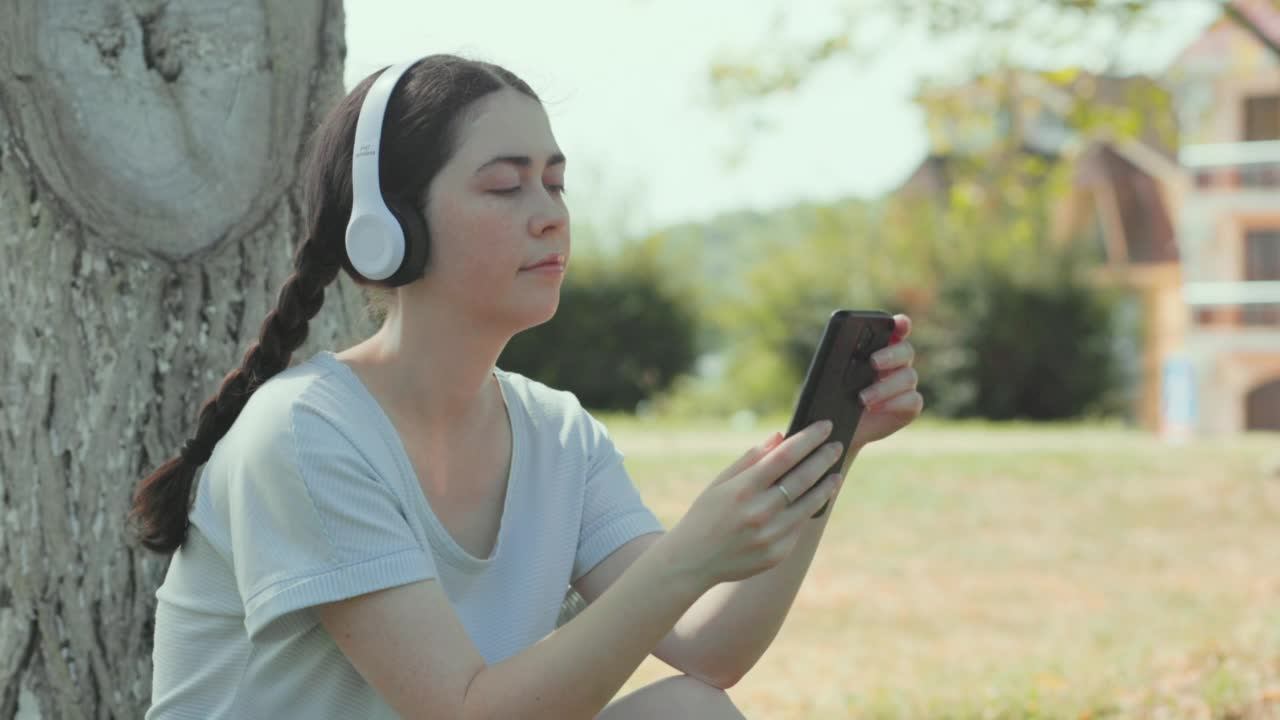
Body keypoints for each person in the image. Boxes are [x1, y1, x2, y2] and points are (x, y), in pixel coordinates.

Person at [130, 54, 922, 719]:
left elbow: (709, 648)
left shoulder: (557, 434)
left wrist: (832, 452)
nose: (549, 215)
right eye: (507, 187)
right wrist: (685, 559)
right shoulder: (304, 433)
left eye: (555, 182)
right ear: (388, 231)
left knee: (691, 711)